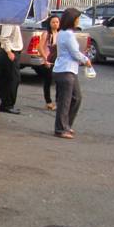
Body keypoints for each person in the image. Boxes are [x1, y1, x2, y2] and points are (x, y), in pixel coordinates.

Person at [52, 8, 92, 139]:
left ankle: (66, 124)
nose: (78, 21)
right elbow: (75, 53)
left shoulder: (64, 33)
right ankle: (60, 128)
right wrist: (86, 60)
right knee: (65, 101)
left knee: (76, 98)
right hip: (65, 70)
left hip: (67, 70)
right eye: (77, 18)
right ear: (72, 20)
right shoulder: (67, 35)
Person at [0, 24, 23, 114]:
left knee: (7, 79)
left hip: (13, 52)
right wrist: (9, 52)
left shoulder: (15, 21)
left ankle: (5, 103)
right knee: (13, 79)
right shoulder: (10, 22)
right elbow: (4, 37)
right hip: (10, 52)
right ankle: (7, 104)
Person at [38, 15, 60, 110]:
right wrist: (45, 58)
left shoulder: (60, 34)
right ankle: (48, 102)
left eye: (57, 22)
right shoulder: (46, 34)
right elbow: (40, 47)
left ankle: (58, 101)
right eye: (53, 22)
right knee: (48, 82)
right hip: (48, 61)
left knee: (59, 82)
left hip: (58, 61)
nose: (55, 24)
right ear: (49, 23)